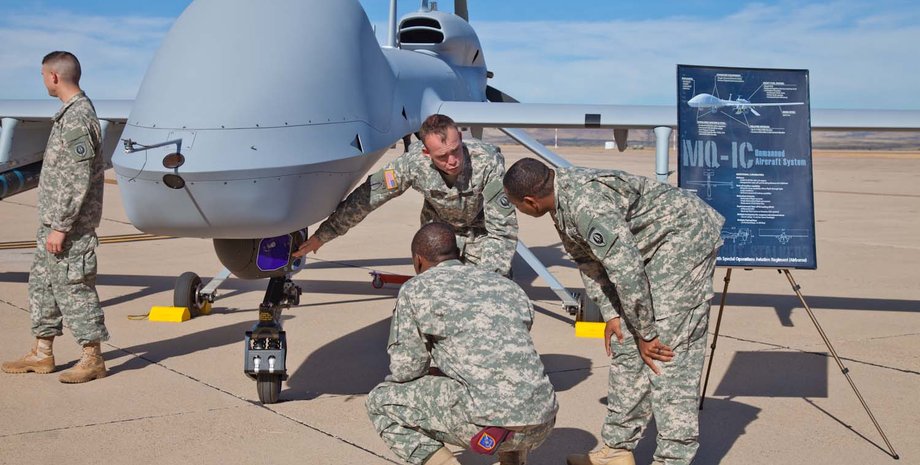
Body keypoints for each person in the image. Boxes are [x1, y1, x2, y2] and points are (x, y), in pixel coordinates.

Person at [502, 158, 724, 465]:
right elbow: (588, 261)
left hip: (683, 236)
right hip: (646, 246)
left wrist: (646, 332)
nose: (519, 212)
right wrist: (612, 314)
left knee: (666, 352)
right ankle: (618, 450)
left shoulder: (585, 204)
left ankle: (673, 458)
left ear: (530, 200)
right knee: (625, 341)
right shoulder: (559, 199)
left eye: (517, 206)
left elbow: (627, 270)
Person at [366, 222, 557, 465]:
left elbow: (407, 369)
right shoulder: (507, 286)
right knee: (500, 390)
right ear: (458, 254)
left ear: (418, 260)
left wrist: (435, 374)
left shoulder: (416, 289)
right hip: (543, 418)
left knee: (381, 402)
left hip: (485, 423)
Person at [293, 114, 518, 276]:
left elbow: (502, 228)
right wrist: (324, 234)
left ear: (459, 136)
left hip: (481, 236)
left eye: (455, 150)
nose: (452, 161)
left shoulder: (487, 161)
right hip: (438, 238)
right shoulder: (413, 163)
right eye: (442, 156)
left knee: (489, 296)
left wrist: (491, 280)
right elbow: (368, 197)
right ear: (426, 152)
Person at [1, 51, 109, 383]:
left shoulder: (78, 118)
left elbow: (76, 179)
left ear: (53, 77)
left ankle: (92, 358)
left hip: (70, 228)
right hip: (53, 224)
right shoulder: (67, 114)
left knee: (74, 288)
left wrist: (61, 227)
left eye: (42, 76)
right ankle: (42, 353)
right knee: (43, 287)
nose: (43, 81)